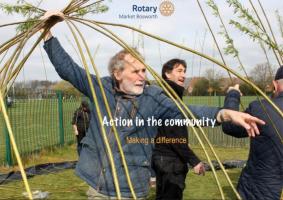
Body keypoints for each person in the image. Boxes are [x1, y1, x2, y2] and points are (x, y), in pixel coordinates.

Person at [41, 11, 265, 199]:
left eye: (143, 70)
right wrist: (47, 34)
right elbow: (68, 68)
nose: (142, 76)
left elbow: (188, 113)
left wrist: (225, 114)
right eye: (135, 71)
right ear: (118, 74)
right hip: (98, 185)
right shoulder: (100, 88)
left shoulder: (152, 97)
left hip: (131, 188)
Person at [222, 66, 283, 200]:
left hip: (261, 190)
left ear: (275, 85)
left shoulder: (262, 109)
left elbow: (229, 126)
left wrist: (233, 95)